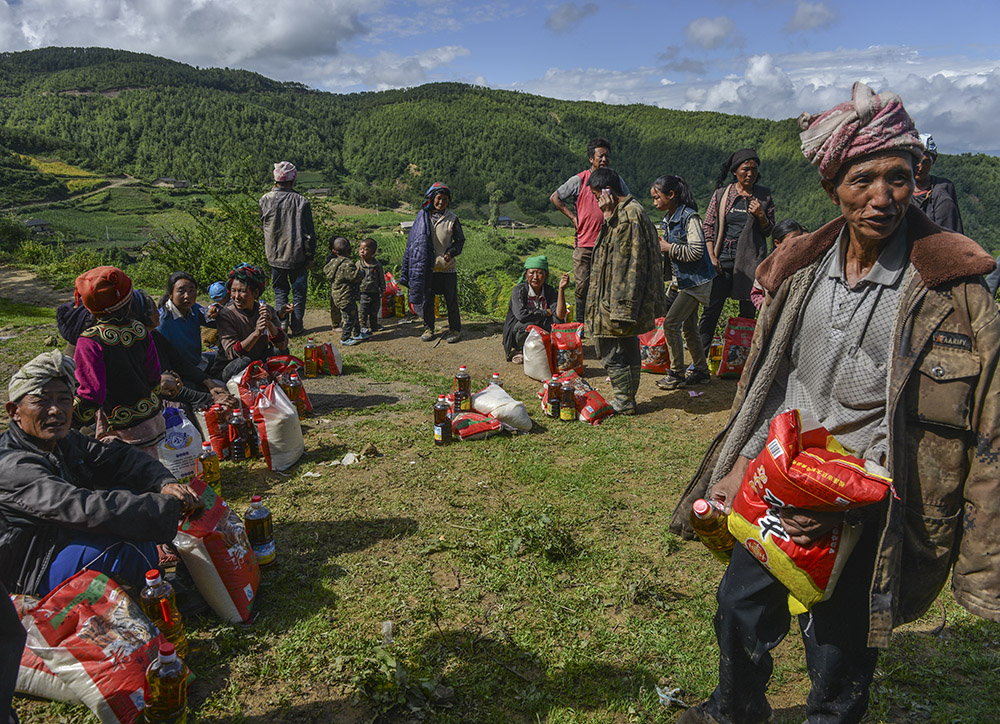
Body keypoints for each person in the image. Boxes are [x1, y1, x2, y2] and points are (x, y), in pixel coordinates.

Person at [670, 81, 1000, 724]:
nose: (882, 197)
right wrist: (740, 462)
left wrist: (843, 503)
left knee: (840, 643)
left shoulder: (954, 297)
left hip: (870, 497)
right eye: (862, 180)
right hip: (779, 477)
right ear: (832, 189)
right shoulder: (802, 271)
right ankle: (735, 710)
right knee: (739, 606)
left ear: (917, 180)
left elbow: (983, 430)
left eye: (898, 177)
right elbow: (772, 381)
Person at [0, 350, 201, 597]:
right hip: (32, 570)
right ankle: (156, 591)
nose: (55, 410)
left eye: (64, 400)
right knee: (121, 541)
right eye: (41, 401)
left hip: (63, 538)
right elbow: (80, 507)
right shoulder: (12, 466)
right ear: (14, 411)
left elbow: (119, 457)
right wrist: (166, 507)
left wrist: (164, 483)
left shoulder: (64, 441)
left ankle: (151, 579)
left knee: (130, 494)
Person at [585, 168, 666, 414]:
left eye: (596, 196)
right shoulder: (624, 212)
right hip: (619, 298)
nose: (597, 201)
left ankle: (624, 399)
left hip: (618, 298)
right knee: (626, 344)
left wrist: (621, 305)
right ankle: (626, 398)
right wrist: (609, 216)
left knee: (610, 346)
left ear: (607, 192)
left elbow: (627, 261)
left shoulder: (628, 216)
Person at [72, 267, 165, 456]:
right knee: (153, 469)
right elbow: (154, 377)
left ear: (88, 306)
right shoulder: (140, 329)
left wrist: (68, 418)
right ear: (128, 300)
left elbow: (91, 395)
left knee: (128, 472)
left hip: (119, 431)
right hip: (151, 421)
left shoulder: (89, 341)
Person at [698, 148, 776, 353]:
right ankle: (699, 359)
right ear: (735, 171)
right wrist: (711, 256)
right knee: (711, 310)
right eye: (745, 169)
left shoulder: (764, 196)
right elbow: (708, 226)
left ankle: (739, 360)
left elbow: (769, 230)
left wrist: (761, 215)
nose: (750, 174)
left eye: (754, 169)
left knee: (747, 313)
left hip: (751, 263)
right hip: (723, 260)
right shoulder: (722, 195)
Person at [550, 138, 630, 325]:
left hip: (610, 242)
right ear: (591, 159)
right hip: (585, 243)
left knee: (608, 284)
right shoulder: (579, 180)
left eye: (607, 156)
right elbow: (555, 197)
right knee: (582, 286)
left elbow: (628, 200)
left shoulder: (615, 180)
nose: (604, 159)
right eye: (600, 156)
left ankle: (605, 322)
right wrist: (573, 218)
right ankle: (582, 324)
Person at [650, 174, 716, 390]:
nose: (654, 202)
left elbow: (696, 251)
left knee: (671, 324)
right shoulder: (669, 219)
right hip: (684, 281)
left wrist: (669, 248)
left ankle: (677, 373)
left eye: (657, 197)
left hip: (695, 282)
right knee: (689, 327)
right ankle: (701, 371)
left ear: (671, 195)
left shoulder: (690, 218)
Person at [399, 182, 466, 344]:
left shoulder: (452, 219)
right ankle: (429, 328)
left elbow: (460, 241)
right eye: (438, 198)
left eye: (445, 199)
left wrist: (451, 252)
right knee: (427, 299)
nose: (441, 202)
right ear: (431, 198)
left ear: (449, 201)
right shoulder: (423, 217)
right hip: (427, 267)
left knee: (451, 300)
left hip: (446, 268)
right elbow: (414, 241)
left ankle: (455, 330)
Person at [259, 161, 316, 337]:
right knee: (299, 293)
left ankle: (281, 323)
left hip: (274, 255)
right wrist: (310, 256)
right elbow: (309, 234)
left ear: (275, 180)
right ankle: (297, 327)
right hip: (297, 255)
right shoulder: (301, 201)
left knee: (280, 291)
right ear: (292, 180)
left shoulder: (265, 199)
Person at [214, 264, 288, 380]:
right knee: (245, 361)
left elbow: (282, 345)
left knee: (281, 351)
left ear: (256, 293)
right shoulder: (226, 315)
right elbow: (232, 353)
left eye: (242, 291)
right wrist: (256, 333)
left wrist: (269, 324)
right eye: (233, 291)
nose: (237, 296)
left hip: (257, 361)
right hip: (230, 367)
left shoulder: (267, 310)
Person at [501, 256, 569, 363]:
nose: (535, 277)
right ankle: (521, 349)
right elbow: (521, 315)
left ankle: (546, 348)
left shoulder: (550, 291)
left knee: (558, 322)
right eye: (531, 273)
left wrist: (561, 289)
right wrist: (545, 312)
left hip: (541, 330)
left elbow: (560, 315)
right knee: (528, 325)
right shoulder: (519, 290)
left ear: (546, 275)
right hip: (520, 332)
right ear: (526, 275)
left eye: (540, 273)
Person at [156, 271, 215, 371]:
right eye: (181, 291)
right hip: (180, 371)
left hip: (198, 362)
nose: (187, 296)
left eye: (191, 291)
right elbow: (161, 358)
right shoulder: (163, 321)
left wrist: (217, 312)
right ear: (171, 294)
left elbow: (210, 318)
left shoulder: (194, 309)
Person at [912, 132, 964, 233]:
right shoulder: (900, 190)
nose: (920, 167)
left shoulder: (941, 191)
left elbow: (948, 230)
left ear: (933, 161)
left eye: (926, 162)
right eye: (917, 161)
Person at [750, 220, 808, 309]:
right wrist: (765, 305)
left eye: (799, 238)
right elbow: (756, 293)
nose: (797, 242)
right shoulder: (767, 268)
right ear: (777, 243)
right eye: (792, 239)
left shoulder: (806, 262)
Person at [323, 236, 364, 347]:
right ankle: (345, 338)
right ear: (350, 251)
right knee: (349, 318)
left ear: (334, 251)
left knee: (353, 314)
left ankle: (357, 333)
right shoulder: (347, 264)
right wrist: (361, 273)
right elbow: (354, 277)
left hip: (337, 295)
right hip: (346, 296)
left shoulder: (333, 262)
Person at [357, 237, 386, 338]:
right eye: (360, 249)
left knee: (374, 310)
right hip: (362, 292)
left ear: (373, 252)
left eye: (365, 249)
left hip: (375, 292)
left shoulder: (377, 265)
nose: (362, 251)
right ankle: (363, 327)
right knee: (363, 311)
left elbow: (381, 277)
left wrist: (382, 289)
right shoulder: (358, 265)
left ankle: (374, 325)